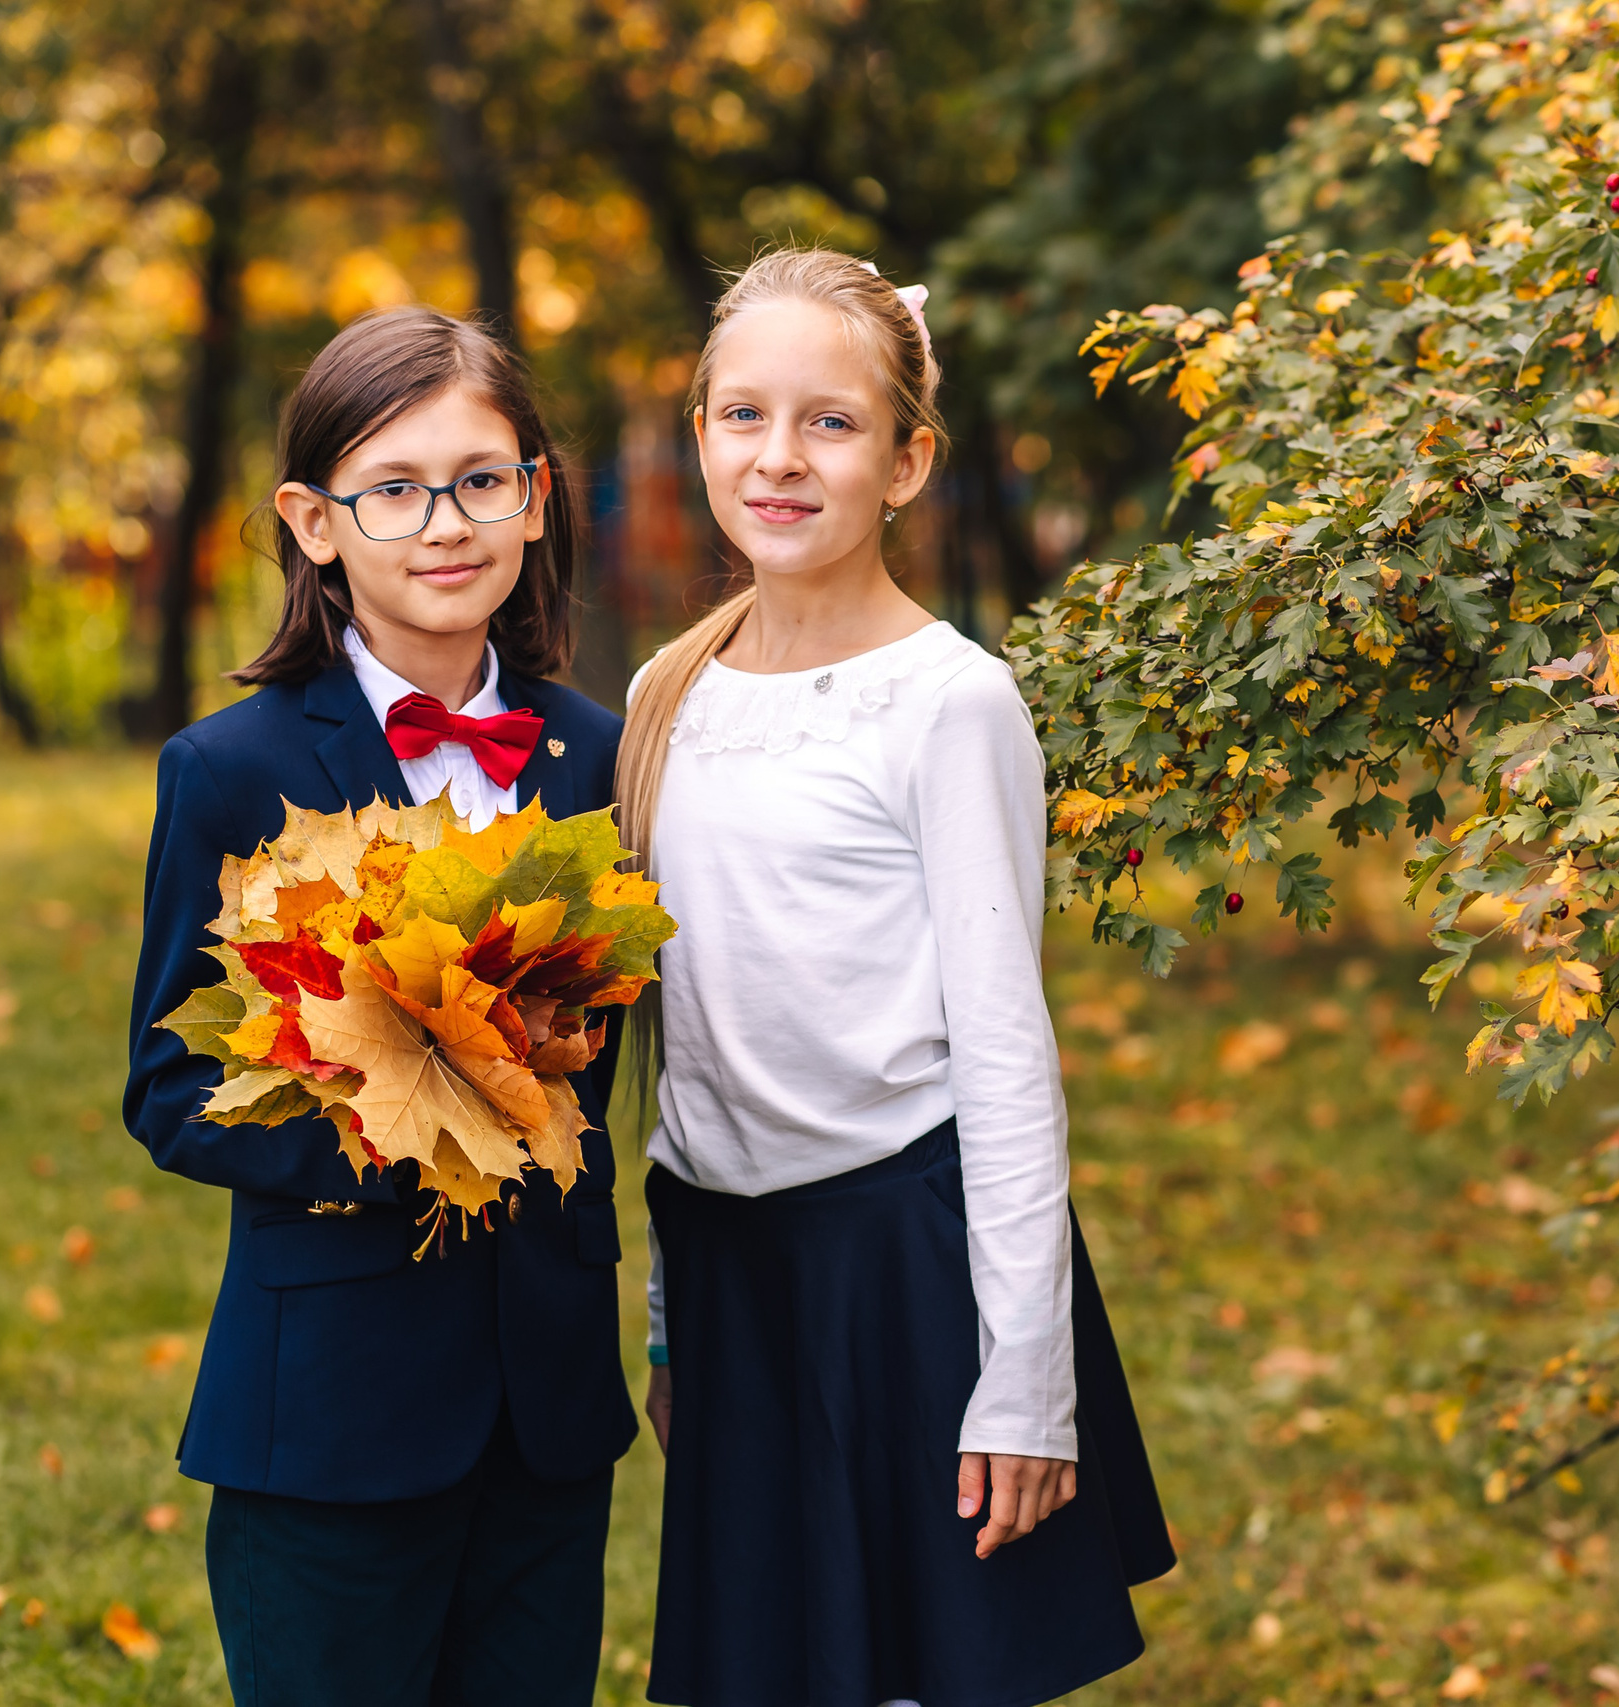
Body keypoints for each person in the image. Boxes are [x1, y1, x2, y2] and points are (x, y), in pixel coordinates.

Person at [619, 248, 1176, 1707]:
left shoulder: (949, 703)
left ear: (909, 462)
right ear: (700, 436)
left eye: (832, 422)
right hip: (736, 1273)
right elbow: (676, 1059)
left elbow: (1002, 1052)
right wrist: (675, 1323)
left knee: (920, 1677)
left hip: (907, 1273)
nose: (780, 458)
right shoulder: (664, 695)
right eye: (742, 415)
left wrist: (1026, 1379)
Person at [124, 305, 632, 1707]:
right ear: (314, 520)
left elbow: (606, 1054)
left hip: (548, 1401)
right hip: (330, 1407)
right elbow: (166, 1090)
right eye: (392, 490)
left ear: (532, 499)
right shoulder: (229, 771)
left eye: (479, 480)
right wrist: (403, 1119)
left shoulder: (599, 756)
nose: (442, 524)